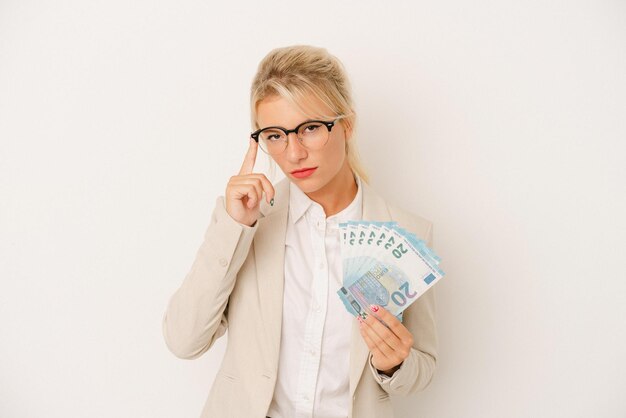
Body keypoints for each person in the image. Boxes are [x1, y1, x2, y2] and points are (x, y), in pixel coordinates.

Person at [162, 44, 438, 418]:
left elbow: (424, 369)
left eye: (309, 129)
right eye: (274, 135)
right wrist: (233, 227)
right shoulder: (247, 222)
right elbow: (184, 340)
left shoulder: (404, 233)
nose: (293, 154)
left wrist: (395, 363)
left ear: (347, 125)